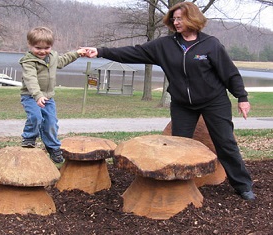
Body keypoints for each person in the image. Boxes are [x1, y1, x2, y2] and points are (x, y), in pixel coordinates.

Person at [83, 2, 255, 200]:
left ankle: (243, 186)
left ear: (193, 18)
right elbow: (133, 52)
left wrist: (242, 97)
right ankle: (178, 185)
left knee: (225, 143)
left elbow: (230, 73)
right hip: (183, 104)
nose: (176, 21)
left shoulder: (211, 44)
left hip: (214, 101)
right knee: (178, 145)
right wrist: (100, 51)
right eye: (174, 18)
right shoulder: (165, 45)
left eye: (180, 18)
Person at [19, 26, 86, 164]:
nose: (42, 51)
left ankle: (53, 148)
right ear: (30, 45)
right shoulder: (28, 62)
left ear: (51, 46)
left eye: (47, 47)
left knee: (51, 123)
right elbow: (30, 79)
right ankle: (29, 139)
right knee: (36, 117)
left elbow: (64, 59)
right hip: (31, 96)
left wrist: (78, 53)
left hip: (48, 97)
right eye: (38, 48)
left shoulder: (53, 57)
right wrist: (37, 95)